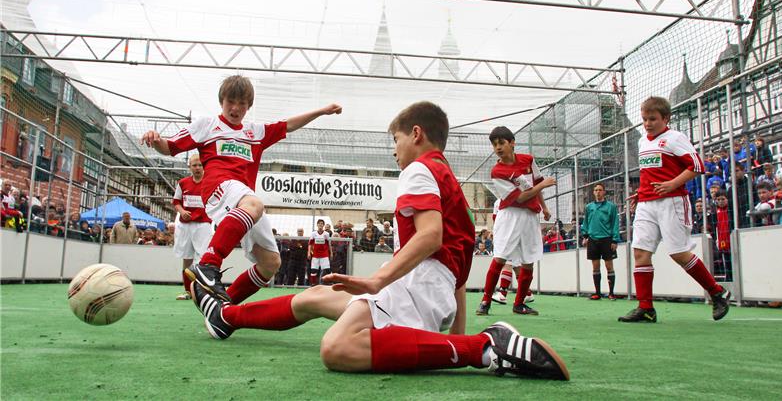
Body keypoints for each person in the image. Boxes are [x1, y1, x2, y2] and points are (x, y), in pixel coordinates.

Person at [188, 101, 569, 380]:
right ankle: (224, 317)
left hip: (416, 287)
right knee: (314, 297)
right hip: (428, 291)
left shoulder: (420, 169)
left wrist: (378, 280)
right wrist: (453, 330)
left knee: (337, 348)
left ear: (416, 134)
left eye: (396, 139)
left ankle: (486, 348)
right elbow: (457, 276)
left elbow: (431, 237)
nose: (394, 148)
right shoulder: (447, 179)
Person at [140, 74, 341, 305]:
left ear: (249, 106)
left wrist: (322, 111)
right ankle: (208, 263)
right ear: (221, 101)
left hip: (244, 200)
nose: (235, 108)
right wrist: (155, 139)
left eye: (242, 104)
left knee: (271, 263)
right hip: (218, 188)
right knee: (254, 204)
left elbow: (289, 124)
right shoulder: (207, 125)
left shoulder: (255, 132)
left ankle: (223, 310)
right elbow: (169, 147)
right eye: (230, 102)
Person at [620, 96, 729, 323]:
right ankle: (646, 307)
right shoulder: (643, 142)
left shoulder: (675, 138)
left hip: (673, 201)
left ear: (665, 118)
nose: (648, 124)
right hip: (647, 204)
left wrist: (673, 183)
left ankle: (716, 292)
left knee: (679, 253)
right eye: (644, 119)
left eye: (653, 119)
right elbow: (651, 173)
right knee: (640, 252)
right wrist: (640, 193)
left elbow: (697, 166)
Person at [476, 126, 555, 316]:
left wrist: (544, 207)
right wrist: (543, 185)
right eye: (494, 144)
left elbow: (535, 184)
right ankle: (485, 301)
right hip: (510, 214)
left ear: (512, 143)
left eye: (501, 143)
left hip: (530, 216)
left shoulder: (528, 160)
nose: (498, 147)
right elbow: (519, 198)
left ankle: (519, 304)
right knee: (501, 257)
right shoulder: (497, 171)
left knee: (529, 260)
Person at [172, 154, 214, 300]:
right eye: (194, 165)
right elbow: (176, 201)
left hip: (203, 225)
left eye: (200, 165)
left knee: (203, 258)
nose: (197, 168)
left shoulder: (210, 182)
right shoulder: (183, 183)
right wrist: (182, 212)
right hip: (185, 227)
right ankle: (187, 291)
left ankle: (203, 291)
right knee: (187, 258)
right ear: (189, 166)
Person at [581, 183, 622, 300]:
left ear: (604, 192)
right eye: (596, 190)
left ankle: (611, 293)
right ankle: (597, 293)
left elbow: (615, 223)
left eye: (600, 190)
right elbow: (586, 222)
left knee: (609, 266)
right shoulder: (589, 207)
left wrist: (614, 239)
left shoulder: (611, 207)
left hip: (607, 239)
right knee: (595, 267)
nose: (598, 192)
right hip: (593, 240)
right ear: (593, 192)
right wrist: (585, 236)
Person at [308, 219, 332, 286]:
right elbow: (310, 244)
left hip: (324, 254)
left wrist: (331, 253)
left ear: (323, 225)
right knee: (313, 270)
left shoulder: (326, 234)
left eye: (322, 223)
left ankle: (330, 282)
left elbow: (329, 244)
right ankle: (313, 284)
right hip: (315, 255)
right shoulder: (313, 234)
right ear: (317, 225)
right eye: (319, 223)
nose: (320, 225)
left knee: (327, 269)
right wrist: (309, 253)